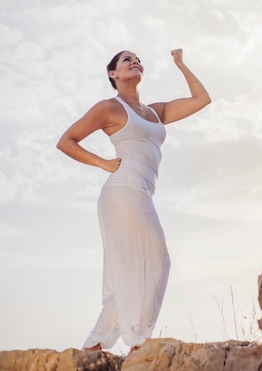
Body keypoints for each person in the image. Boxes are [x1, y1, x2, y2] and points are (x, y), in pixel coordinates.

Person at [57, 49, 211, 355]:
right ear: (113, 74)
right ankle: (138, 341)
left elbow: (201, 99)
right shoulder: (108, 107)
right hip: (123, 190)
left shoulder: (155, 112)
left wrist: (180, 64)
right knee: (157, 260)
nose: (135, 62)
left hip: (140, 193)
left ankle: (94, 346)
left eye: (138, 59)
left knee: (123, 271)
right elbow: (66, 141)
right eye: (126, 60)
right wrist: (102, 162)